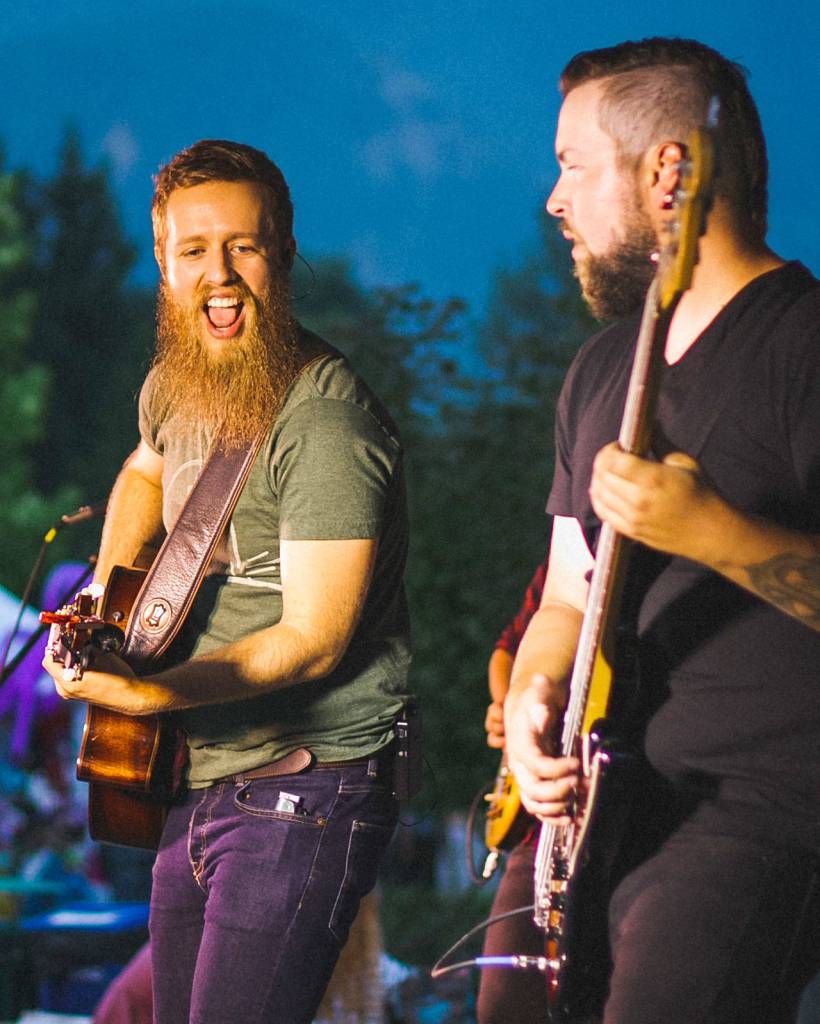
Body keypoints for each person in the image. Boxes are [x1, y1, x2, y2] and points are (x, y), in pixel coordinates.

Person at [42, 139, 412, 1024]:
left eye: (244, 246)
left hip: (308, 785)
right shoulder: (180, 379)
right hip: (197, 774)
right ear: (164, 266)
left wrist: (148, 692)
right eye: (194, 250)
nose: (222, 273)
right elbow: (142, 468)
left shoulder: (324, 423)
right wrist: (106, 592)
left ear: (282, 254)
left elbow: (313, 639)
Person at [501, 38, 820, 1024]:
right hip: (592, 810)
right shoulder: (599, 370)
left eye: (572, 164)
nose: (553, 200)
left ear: (666, 171)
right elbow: (564, 594)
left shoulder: (802, 343)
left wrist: (714, 532)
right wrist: (526, 705)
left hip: (749, 812)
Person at [478, 560, 548, 1023]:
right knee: (502, 1005)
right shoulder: (579, 539)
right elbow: (508, 648)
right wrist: (509, 704)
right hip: (539, 827)